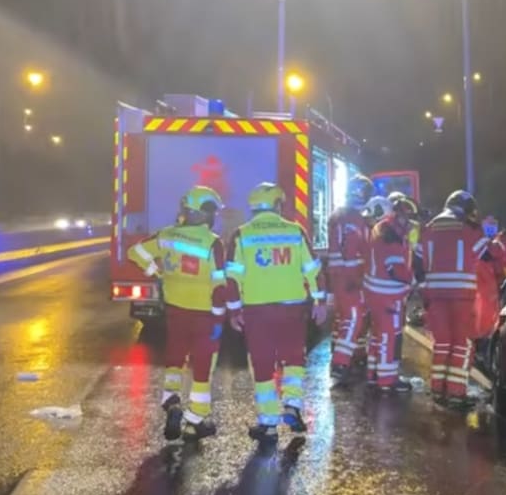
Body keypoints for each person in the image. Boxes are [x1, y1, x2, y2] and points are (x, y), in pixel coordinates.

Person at [225, 182, 328, 445]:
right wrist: (319, 302)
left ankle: (268, 423)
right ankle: (292, 404)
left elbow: (232, 277)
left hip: (257, 311)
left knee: (262, 364)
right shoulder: (295, 231)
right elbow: (313, 270)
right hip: (292, 308)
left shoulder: (241, 234)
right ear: (278, 204)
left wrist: (234, 309)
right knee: (294, 358)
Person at [126, 186, 227, 440]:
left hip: (175, 309)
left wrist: (155, 272)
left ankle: (171, 402)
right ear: (205, 214)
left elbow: (134, 253)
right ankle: (195, 421)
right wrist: (219, 316)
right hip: (204, 314)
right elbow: (219, 284)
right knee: (203, 366)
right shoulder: (213, 243)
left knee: (175, 358)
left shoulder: (167, 235)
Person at [416, 190, 493, 409]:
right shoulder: (470, 230)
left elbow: (419, 260)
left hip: (435, 295)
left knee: (442, 343)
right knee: (462, 343)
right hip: (461, 295)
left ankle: (438, 389)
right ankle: (456, 393)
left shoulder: (428, 228)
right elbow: (486, 256)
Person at [363, 194, 419, 392]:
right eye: (408, 219)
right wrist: (412, 281)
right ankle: (387, 380)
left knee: (377, 335)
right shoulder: (391, 234)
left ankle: (373, 374)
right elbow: (395, 269)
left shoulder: (382, 229)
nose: (410, 225)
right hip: (388, 294)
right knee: (390, 335)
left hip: (375, 291)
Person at [326, 175, 373, 380]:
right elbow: (353, 250)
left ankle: (355, 353)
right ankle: (341, 362)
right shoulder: (353, 219)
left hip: (342, 276)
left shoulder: (341, 215)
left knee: (344, 316)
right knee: (353, 317)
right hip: (350, 277)